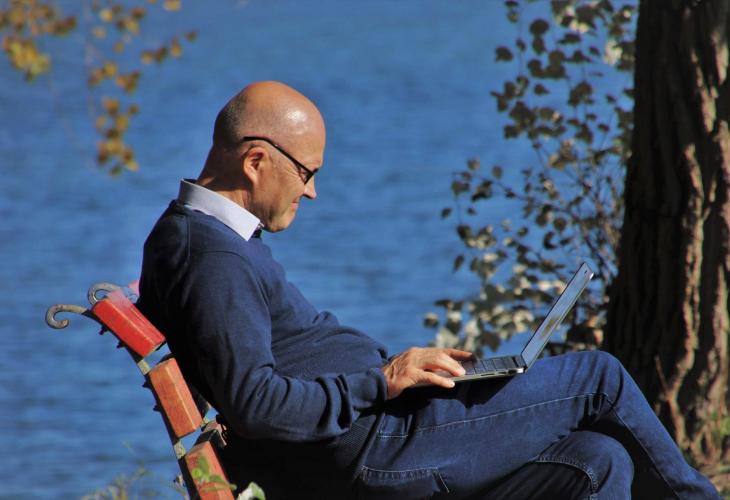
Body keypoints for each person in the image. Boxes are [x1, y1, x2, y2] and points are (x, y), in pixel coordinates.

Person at [137, 81, 719, 499]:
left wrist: (394, 378)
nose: (310, 192)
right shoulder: (212, 257)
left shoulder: (199, 238)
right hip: (377, 446)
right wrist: (383, 380)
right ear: (256, 161)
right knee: (599, 377)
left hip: (377, 435)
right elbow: (256, 404)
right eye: (307, 173)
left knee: (597, 460)